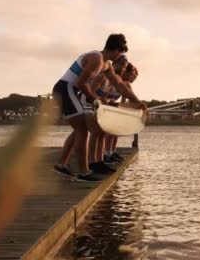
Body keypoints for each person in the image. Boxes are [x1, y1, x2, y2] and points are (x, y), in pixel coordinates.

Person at [51, 34, 146, 181]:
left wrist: (138, 102)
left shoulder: (106, 64)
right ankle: (84, 172)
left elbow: (120, 85)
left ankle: (61, 165)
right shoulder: (96, 59)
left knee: (80, 130)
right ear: (116, 50)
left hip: (71, 91)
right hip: (65, 89)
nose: (120, 57)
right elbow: (82, 83)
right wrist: (95, 99)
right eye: (121, 53)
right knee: (82, 130)